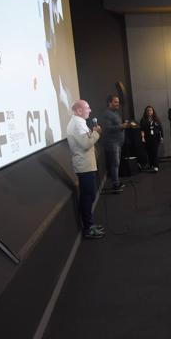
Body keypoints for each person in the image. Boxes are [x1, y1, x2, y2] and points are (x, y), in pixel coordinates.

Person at [66, 100, 105, 239]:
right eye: (87, 108)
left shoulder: (79, 122)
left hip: (86, 166)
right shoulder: (77, 124)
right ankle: (88, 228)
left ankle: (90, 224)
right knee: (88, 197)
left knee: (89, 196)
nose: (90, 110)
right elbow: (85, 143)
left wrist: (93, 133)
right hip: (84, 167)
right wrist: (96, 133)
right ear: (78, 110)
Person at [102, 95, 129, 193]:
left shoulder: (115, 113)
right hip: (112, 143)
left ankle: (116, 181)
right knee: (115, 164)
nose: (118, 104)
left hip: (118, 143)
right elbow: (107, 128)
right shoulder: (107, 114)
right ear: (110, 103)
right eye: (115, 102)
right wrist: (122, 126)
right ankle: (115, 184)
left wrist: (122, 125)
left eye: (118, 102)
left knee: (116, 164)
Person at [139, 105, 163, 172]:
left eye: (151, 110)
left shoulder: (156, 119)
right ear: (146, 112)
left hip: (156, 138)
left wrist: (162, 137)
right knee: (149, 153)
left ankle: (156, 166)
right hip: (147, 138)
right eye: (148, 110)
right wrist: (143, 138)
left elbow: (160, 128)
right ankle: (151, 164)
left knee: (155, 152)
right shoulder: (143, 120)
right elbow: (142, 130)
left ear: (153, 111)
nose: (149, 112)